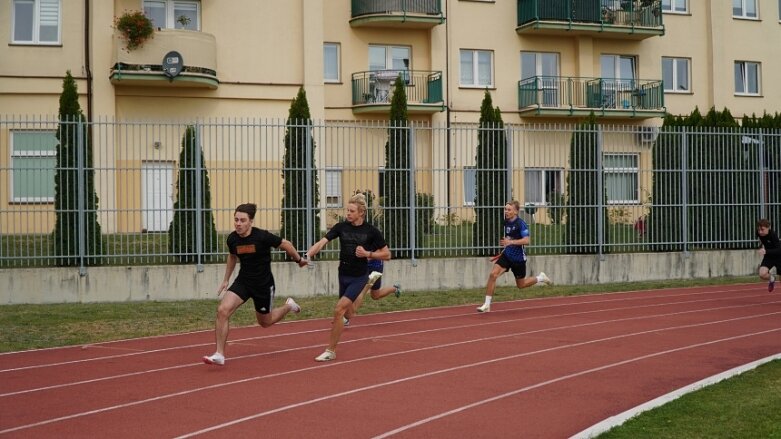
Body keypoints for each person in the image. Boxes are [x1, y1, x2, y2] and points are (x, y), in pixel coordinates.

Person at [203, 203, 308, 366]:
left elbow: (286, 244)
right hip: (244, 281)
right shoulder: (232, 239)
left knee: (265, 322)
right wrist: (226, 279)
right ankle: (219, 354)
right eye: (236, 220)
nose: (238, 223)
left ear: (250, 221)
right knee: (222, 310)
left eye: (242, 220)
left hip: (263, 285)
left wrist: (299, 259)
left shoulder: (262, 237)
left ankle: (289, 306)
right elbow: (232, 256)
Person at [306, 193, 392, 362]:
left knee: (339, 310)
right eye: (347, 210)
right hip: (343, 275)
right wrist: (308, 254)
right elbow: (322, 242)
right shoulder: (341, 227)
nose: (348, 213)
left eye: (352, 211)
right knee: (349, 313)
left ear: (361, 213)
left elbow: (387, 254)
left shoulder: (371, 231)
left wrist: (368, 253)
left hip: (359, 276)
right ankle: (364, 291)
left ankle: (330, 350)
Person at [477, 200, 552, 313]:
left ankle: (540, 278)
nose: (506, 211)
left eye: (509, 209)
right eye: (505, 209)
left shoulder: (521, 224)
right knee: (493, 275)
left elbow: (527, 240)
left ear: (516, 211)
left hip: (518, 259)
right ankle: (487, 305)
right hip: (507, 256)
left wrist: (510, 243)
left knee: (521, 285)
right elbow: (509, 239)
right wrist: (503, 251)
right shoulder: (506, 222)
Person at [348, 252, 402, 325]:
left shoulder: (377, 242)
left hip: (375, 270)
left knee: (361, 291)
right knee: (375, 296)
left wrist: (365, 257)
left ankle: (346, 318)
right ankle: (395, 288)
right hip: (365, 268)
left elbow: (383, 254)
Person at [756, 218, 780, 292]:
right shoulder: (758, 233)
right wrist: (760, 247)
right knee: (762, 274)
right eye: (759, 229)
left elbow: (779, 250)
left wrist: (766, 251)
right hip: (769, 256)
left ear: (768, 228)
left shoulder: (773, 235)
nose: (760, 232)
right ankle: (772, 278)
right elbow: (762, 242)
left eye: (762, 229)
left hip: (779, 256)